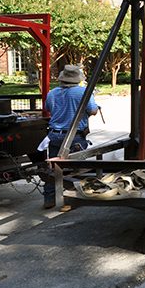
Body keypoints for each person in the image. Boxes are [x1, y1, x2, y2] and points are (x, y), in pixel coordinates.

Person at [39, 65, 99, 209]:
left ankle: (49, 198)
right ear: (77, 79)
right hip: (74, 137)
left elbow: (48, 108)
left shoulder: (52, 93)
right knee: (74, 170)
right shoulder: (83, 92)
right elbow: (92, 110)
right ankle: (69, 200)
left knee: (53, 168)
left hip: (54, 135)